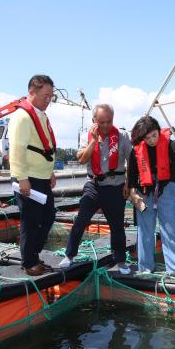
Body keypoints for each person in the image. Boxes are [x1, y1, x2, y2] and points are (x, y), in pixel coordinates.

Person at [61, 104, 132, 274]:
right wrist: (93, 141)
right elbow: (82, 160)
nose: (106, 125)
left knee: (117, 226)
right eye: (101, 122)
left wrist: (129, 184)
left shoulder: (122, 135)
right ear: (94, 121)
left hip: (115, 186)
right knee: (80, 221)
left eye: (109, 121)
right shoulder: (87, 137)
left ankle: (121, 261)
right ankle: (69, 255)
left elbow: (132, 160)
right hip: (93, 185)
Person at [128, 115, 175, 279]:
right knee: (145, 230)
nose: (152, 140)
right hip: (144, 192)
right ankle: (145, 266)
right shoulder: (136, 149)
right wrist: (133, 194)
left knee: (171, 226)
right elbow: (131, 175)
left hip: (166, 188)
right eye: (147, 137)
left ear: (159, 131)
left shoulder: (169, 144)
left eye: (154, 135)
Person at [8, 75, 57, 276]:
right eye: (45, 96)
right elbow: (17, 150)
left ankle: (34, 256)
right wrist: (21, 178)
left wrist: (50, 172)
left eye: (51, 97)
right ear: (32, 93)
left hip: (41, 177)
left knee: (48, 216)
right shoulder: (22, 117)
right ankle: (29, 262)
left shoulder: (41, 116)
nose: (48, 100)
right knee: (30, 221)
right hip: (28, 178)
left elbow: (43, 147)